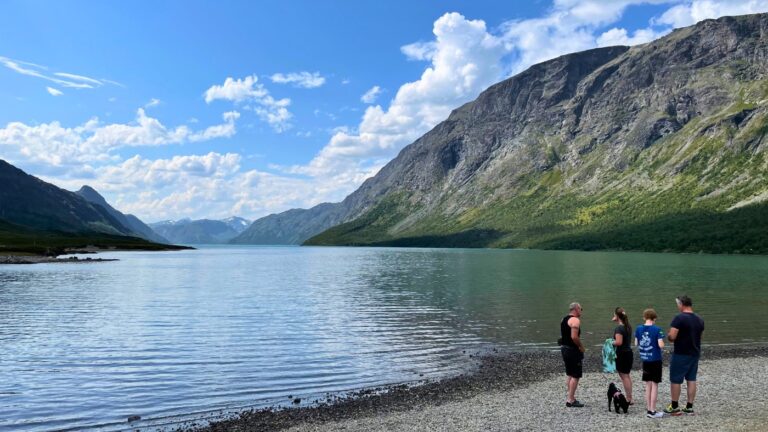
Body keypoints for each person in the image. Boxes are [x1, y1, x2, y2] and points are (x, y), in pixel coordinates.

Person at [664, 295, 705, 416]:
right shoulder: (699, 319)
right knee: (691, 379)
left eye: (678, 304)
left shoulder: (679, 318)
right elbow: (700, 337)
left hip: (681, 353)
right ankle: (689, 407)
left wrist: (668, 335)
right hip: (695, 352)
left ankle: (675, 406)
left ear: (682, 304)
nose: (677, 307)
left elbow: (672, 337)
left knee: (676, 379)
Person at [635, 308, 665, 418]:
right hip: (655, 360)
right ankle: (653, 411)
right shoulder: (657, 329)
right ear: (655, 318)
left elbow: (636, 342)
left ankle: (648, 408)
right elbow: (661, 345)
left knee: (648, 384)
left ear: (644, 317)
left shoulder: (638, 328)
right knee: (655, 384)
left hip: (645, 360)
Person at [560, 302, 585, 407]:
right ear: (576, 309)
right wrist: (581, 346)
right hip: (572, 350)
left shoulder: (564, 319)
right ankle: (570, 400)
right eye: (581, 309)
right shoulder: (575, 320)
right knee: (575, 375)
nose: (581, 311)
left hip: (564, 349)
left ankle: (571, 396)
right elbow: (574, 337)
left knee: (570, 374)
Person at [612, 307, 633, 405]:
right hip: (628, 352)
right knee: (626, 376)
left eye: (614, 315)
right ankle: (630, 397)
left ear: (617, 316)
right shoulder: (628, 326)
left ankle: (629, 399)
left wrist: (610, 342)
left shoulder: (619, 328)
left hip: (622, 354)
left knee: (624, 376)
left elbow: (619, 342)